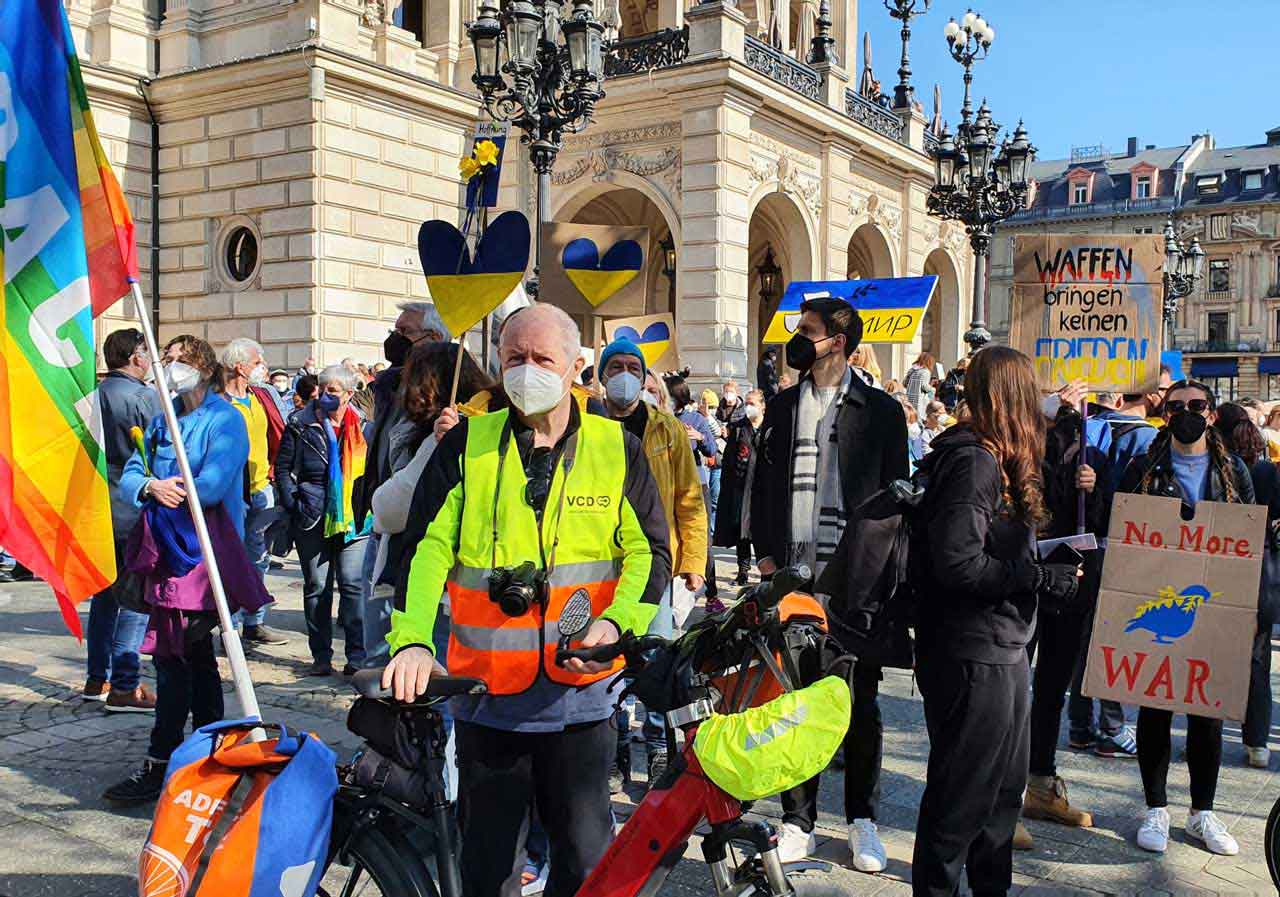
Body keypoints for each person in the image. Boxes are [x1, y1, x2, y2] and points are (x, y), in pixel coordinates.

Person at [381, 303, 672, 897]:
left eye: (543, 359)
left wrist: (618, 623)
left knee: (587, 865)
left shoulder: (617, 449)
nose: (527, 369)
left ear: (573, 368)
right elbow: (423, 550)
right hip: (488, 698)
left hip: (581, 695)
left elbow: (651, 556)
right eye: (515, 357)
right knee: (487, 869)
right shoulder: (467, 443)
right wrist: (410, 639)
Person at [910, 346, 1080, 897]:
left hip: (1000, 648)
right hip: (972, 653)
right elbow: (958, 563)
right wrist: (1032, 576)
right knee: (961, 803)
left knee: (1001, 803)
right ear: (1013, 396)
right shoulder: (973, 461)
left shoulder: (994, 457)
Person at [749, 296, 908, 870]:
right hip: (791, 577)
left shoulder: (883, 412)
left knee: (856, 703)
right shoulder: (785, 404)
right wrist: (764, 556)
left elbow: (895, 502)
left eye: (808, 332)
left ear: (836, 341)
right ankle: (798, 820)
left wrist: (880, 578)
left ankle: (862, 820)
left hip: (853, 585)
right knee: (794, 699)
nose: (798, 340)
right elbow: (763, 484)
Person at [103, 337, 267, 803]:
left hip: (205, 557)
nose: (170, 367)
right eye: (166, 359)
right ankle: (199, 758)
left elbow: (214, 483)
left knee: (186, 659)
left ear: (202, 366)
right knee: (180, 660)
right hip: (165, 557)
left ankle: (181, 760)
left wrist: (177, 487)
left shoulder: (225, 419)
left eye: (178, 360)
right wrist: (152, 484)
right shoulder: (161, 419)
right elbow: (132, 474)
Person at [1119, 380, 1251, 857]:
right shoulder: (1143, 468)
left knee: (1206, 711)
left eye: (1197, 405)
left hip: (1214, 607)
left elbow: (1252, 540)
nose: (1188, 413)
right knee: (1155, 705)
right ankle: (1156, 806)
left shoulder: (1233, 470)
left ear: (1211, 414)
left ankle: (1203, 811)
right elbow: (1116, 529)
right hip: (1159, 602)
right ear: (1164, 414)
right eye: (1177, 407)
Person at [597, 337, 707, 789]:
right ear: (602, 376)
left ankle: (660, 748)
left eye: (632, 367)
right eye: (615, 366)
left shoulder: (668, 428)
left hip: (656, 563)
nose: (624, 374)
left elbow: (689, 498)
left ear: (645, 378)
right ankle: (612, 750)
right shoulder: (582, 424)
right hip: (598, 562)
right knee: (603, 661)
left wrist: (695, 560)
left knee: (656, 658)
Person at [366, 341, 491, 669]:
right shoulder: (414, 431)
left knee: (426, 686)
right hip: (435, 583)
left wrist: (439, 448)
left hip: (439, 586)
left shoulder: (466, 434)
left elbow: (390, 510)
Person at [1020, 402, 1111, 836]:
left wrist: (1093, 489)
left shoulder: (1095, 454)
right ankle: (1002, 793)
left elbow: (1106, 522)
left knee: (1052, 687)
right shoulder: (1020, 446)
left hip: (1073, 584)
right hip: (1027, 579)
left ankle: (1040, 786)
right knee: (1013, 687)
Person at [353, 302, 450, 668]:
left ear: (434, 339)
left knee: (428, 651)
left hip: (420, 539)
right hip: (381, 531)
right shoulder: (390, 387)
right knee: (378, 648)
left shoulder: (450, 407)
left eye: (404, 333)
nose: (394, 340)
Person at [84, 329, 161, 711]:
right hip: (132, 505)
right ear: (134, 356)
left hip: (99, 505)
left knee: (104, 596)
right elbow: (161, 448)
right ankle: (125, 684)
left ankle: (97, 676)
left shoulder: (94, 394)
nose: (151, 359)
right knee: (133, 598)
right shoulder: (144, 396)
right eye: (147, 352)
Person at [277, 364, 371, 676]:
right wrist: (294, 502)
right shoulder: (300, 423)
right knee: (317, 587)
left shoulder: (364, 427)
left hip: (354, 519)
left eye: (332, 390)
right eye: (322, 388)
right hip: (312, 516)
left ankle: (356, 657)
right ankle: (321, 657)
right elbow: (282, 468)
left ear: (348, 394)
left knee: (353, 585)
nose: (324, 395)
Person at [1213, 404, 1276, 770]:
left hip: (1222, 566)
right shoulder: (1266, 469)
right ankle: (1258, 744)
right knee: (1257, 661)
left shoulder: (1220, 467)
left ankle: (1209, 732)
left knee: (1214, 656)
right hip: (1261, 570)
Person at [220, 338, 288, 646]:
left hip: (262, 488)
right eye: (258, 361)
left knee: (258, 557)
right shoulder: (217, 401)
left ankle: (254, 620)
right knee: (231, 559)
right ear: (240, 366)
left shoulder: (263, 397)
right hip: (230, 495)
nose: (264, 367)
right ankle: (230, 626)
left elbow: (280, 432)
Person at [668, 376, 720, 605]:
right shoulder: (659, 419)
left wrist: (699, 436)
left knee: (701, 541)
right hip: (667, 483)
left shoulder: (696, 419)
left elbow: (711, 450)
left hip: (696, 485)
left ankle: (712, 593)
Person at [715, 389, 764, 586]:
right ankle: (743, 570)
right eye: (747, 403)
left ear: (762, 406)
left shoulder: (771, 428)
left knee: (761, 531)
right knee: (742, 530)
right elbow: (729, 460)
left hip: (762, 489)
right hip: (741, 487)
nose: (749, 407)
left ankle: (764, 572)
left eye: (753, 403)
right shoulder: (738, 429)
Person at [904, 351, 936, 418]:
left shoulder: (912, 370)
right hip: (919, 400)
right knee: (919, 418)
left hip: (909, 398)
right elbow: (924, 387)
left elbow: (904, 383)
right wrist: (933, 389)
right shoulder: (925, 371)